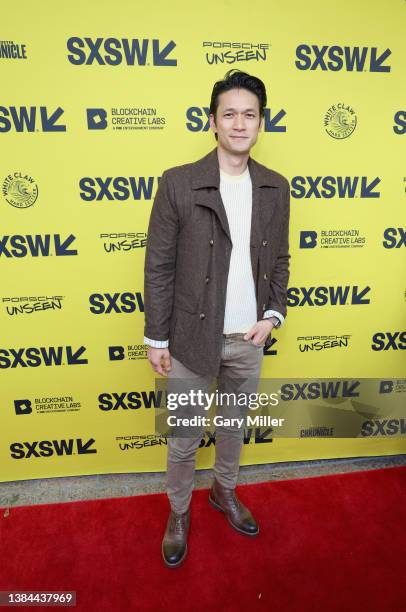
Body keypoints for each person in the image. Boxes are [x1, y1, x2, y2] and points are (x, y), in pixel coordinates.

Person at [143, 69, 291, 568]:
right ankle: (179, 512)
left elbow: (281, 260)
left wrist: (271, 317)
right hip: (189, 337)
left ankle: (223, 492)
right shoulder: (178, 183)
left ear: (260, 123)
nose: (239, 123)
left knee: (232, 429)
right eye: (229, 113)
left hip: (249, 339)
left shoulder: (275, 187)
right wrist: (156, 338)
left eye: (249, 114)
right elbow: (159, 266)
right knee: (184, 436)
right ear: (213, 122)